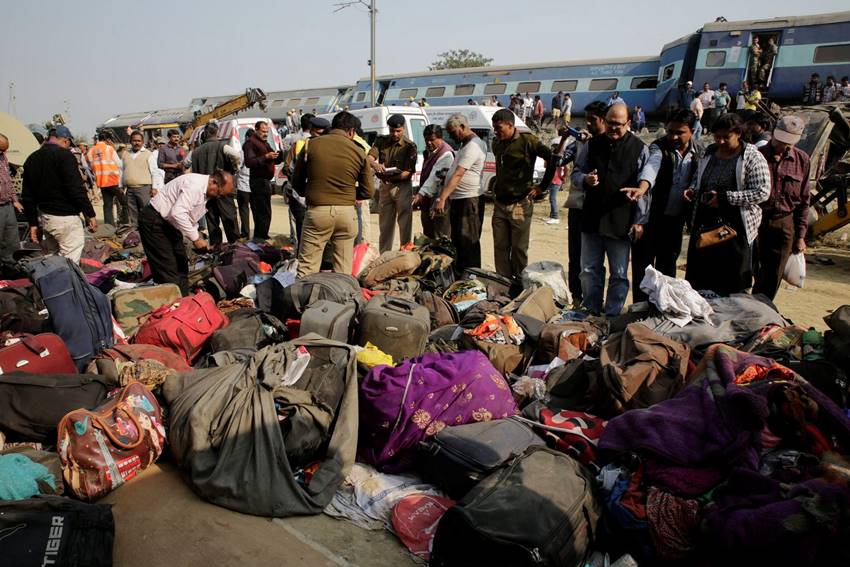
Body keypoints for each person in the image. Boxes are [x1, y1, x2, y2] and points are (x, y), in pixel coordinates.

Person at [574, 103, 650, 317]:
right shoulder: (592, 145)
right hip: (592, 218)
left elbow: (644, 189)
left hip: (621, 220)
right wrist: (585, 180)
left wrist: (639, 221)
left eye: (618, 124)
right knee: (589, 271)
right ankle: (591, 311)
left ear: (628, 123)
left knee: (618, 274)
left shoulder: (639, 148)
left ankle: (612, 315)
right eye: (609, 123)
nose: (613, 128)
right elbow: (576, 173)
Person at [685, 113, 770, 295]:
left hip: (735, 230)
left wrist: (725, 198)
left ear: (738, 134)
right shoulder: (708, 153)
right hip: (705, 227)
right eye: (717, 137)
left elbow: (762, 192)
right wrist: (693, 189)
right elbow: (698, 178)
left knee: (732, 285)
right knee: (700, 283)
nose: (721, 141)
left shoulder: (752, 156)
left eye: (726, 137)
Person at [630, 109, 703, 301]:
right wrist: (642, 188)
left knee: (667, 269)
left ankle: (662, 309)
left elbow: (699, 178)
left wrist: (694, 189)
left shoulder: (700, 153)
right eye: (670, 131)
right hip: (650, 219)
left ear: (693, 131)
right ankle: (640, 309)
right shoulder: (658, 147)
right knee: (643, 269)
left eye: (680, 132)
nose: (674, 136)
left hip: (675, 221)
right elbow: (652, 167)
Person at [292, 111, 374, 277]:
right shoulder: (359, 152)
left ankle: (304, 301)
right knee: (343, 271)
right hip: (347, 214)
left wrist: (314, 191)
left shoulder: (310, 145)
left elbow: (297, 183)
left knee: (307, 268)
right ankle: (340, 301)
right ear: (351, 132)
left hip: (317, 213)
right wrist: (347, 193)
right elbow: (368, 191)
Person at [139, 171, 234, 294]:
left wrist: (197, 236)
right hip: (155, 221)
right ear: (213, 182)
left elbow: (188, 215)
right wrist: (196, 239)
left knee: (181, 266)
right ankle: (172, 306)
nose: (218, 197)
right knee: (167, 269)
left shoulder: (205, 190)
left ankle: (184, 301)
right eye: (219, 193)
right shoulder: (195, 186)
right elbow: (178, 213)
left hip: (170, 224)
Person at [490, 108, 557, 282]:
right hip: (500, 203)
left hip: (520, 203)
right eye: (494, 129)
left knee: (519, 248)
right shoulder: (497, 143)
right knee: (500, 246)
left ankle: (520, 283)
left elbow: (552, 159)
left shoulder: (529, 141)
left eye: (499, 128)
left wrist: (542, 186)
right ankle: (503, 282)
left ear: (511, 125)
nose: (496, 132)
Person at [753, 116, 811, 300]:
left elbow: (804, 201)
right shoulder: (757, 155)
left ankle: (762, 309)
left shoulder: (802, 160)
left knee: (773, 273)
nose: (783, 145)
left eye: (788, 142)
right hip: (755, 220)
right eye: (780, 140)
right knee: (748, 269)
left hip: (784, 222)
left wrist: (800, 236)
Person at [21, 125, 97, 264]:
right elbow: (75, 189)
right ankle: (67, 285)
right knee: (70, 262)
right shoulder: (65, 156)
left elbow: (28, 195)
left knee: (53, 260)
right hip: (65, 219)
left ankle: (53, 285)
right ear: (65, 140)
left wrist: (33, 223)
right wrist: (90, 213)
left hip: (46, 218)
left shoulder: (32, 158)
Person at [423, 114, 487, 274]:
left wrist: (442, 198)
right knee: (458, 241)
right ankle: (461, 276)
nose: (450, 136)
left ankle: (470, 278)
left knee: (468, 242)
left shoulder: (473, 146)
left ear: (463, 127)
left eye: (452, 132)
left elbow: (458, 174)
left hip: (468, 200)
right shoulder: (465, 145)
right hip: (460, 199)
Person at [565, 101, 609, 306]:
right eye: (587, 119)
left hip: (601, 210)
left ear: (604, 119)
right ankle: (577, 297)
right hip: (579, 207)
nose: (588, 124)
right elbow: (562, 163)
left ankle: (595, 301)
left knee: (595, 260)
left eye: (592, 119)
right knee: (576, 256)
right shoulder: (582, 143)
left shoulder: (614, 143)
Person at [368, 114, 418, 252]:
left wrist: (390, 177)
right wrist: (375, 165)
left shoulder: (409, 146)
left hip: (402, 187)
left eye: (398, 131)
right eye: (392, 131)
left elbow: (408, 172)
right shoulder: (381, 141)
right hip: (385, 187)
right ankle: (384, 255)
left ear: (404, 128)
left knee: (404, 224)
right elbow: (369, 158)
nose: (395, 134)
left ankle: (404, 254)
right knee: (385, 225)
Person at [191, 122, 243, 245]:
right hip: (222, 190)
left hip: (206, 191)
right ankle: (234, 246)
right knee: (229, 219)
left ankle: (216, 248)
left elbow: (189, 167)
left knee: (212, 221)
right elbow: (236, 155)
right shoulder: (222, 146)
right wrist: (235, 169)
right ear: (217, 132)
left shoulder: (196, 152)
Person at [413, 124, 454, 239]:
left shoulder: (446, 154)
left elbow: (434, 178)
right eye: (426, 140)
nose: (429, 143)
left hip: (440, 202)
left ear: (440, 138)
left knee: (440, 237)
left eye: (432, 140)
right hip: (428, 202)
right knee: (428, 236)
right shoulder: (429, 152)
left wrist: (420, 194)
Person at [244, 120, 283, 240]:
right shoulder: (250, 143)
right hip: (258, 181)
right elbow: (249, 162)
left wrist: (279, 155)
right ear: (256, 130)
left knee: (265, 212)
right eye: (263, 131)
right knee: (262, 213)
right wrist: (266, 157)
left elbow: (273, 159)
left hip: (265, 181)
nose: (265, 134)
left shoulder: (264, 143)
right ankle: (260, 238)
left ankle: (262, 237)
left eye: (267, 132)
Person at [282, 113, 315, 249]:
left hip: (297, 194)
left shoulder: (295, 142)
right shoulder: (324, 143)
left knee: (299, 229)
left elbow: (286, 167)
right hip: (316, 195)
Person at [120, 131, 159, 228]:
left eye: (139, 141)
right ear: (130, 141)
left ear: (142, 142)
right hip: (130, 189)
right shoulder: (125, 154)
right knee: (133, 213)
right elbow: (121, 171)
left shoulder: (148, 154)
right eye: (134, 141)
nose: (136, 143)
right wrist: (120, 185)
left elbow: (154, 171)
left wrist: (154, 188)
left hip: (144, 189)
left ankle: (149, 231)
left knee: (147, 211)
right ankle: (136, 233)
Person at [88, 131, 126, 226]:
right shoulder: (109, 148)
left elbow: (92, 165)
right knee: (125, 203)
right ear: (108, 140)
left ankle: (109, 227)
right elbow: (120, 164)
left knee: (107, 206)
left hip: (102, 182)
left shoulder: (91, 150)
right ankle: (125, 223)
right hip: (113, 181)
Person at [0, 133, 25, 262]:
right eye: (1, 149)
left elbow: (7, 180)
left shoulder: (3, 157)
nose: (3, 153)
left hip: (7, 204)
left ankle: (10, 267)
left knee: (11, 238)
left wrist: (15, 200)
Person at [544, 143, 565, 225]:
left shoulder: (560, 158)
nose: (552, 149)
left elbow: (567, 167)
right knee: (551, 198)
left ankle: (555, 217)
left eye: (553, 148)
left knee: (552, 199)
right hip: (551, 180)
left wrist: (563, 177)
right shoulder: (552, 157)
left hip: (556, 181)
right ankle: (552, 215)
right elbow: (545, 166)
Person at [236, 131, 252, 239]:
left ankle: (245, 233)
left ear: (246, 138)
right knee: (257, 211)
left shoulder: (242, 153)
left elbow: (237, 167)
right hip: (255, 185)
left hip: (243, 185)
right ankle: (260, 234)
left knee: (244, 210)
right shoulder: (258, 151)